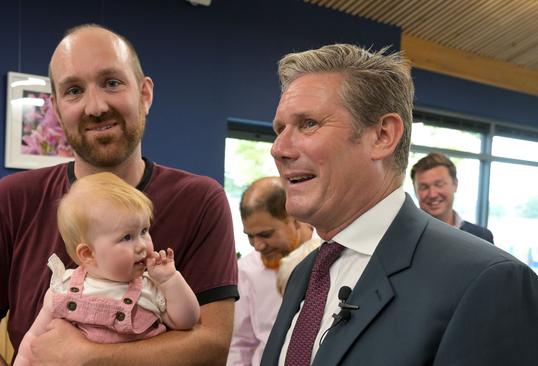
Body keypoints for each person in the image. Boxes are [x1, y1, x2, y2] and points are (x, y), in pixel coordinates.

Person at [0, 24, 238, 366]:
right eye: (74, 90)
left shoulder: (200, 200)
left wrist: (89, 357)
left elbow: (212, 346)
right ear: (56, 109)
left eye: (112, 83)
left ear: (145, 94)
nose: (95, 106)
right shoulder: (12, 199)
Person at [261, 44, 538, 365]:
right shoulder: (305, 274)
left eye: (308, 123)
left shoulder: (489, 282)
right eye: (280, 129)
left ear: (382, 135)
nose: (278, 148)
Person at [14, 172, 200, 365]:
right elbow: (33, 340)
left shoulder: (150, 288)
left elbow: (187, 320)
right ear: (88, 254)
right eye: (127, 237)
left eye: (144, 231)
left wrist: (170, 280)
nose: (142, 245)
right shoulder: (63, 288)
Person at [227, 177, 319, 366]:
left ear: (295, 219)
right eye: (250, 236)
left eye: (266, 234)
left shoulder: (329, 258)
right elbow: (240, 344)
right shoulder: (247, 270)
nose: (258, 246)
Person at [411, 152, 494, 243]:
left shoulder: (482, 237)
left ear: (455, 184)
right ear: (415, 191)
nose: (432, 194)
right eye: (424, 187)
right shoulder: (404, 234)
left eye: (439, 184)